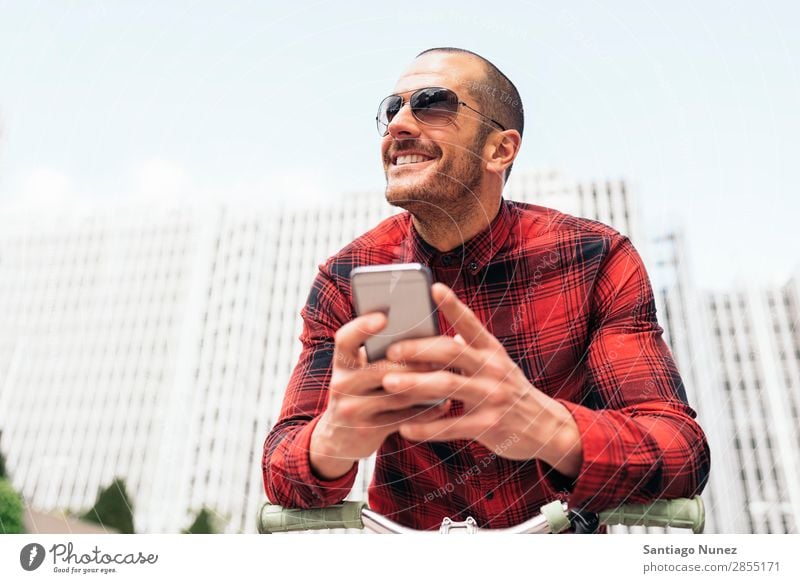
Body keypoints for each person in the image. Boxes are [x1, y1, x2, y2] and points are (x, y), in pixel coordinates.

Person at [262, 47, 710, 530]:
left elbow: (681, 452)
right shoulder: (345, 276)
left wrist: (546, 426)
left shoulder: (597, 257)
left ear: (500, 150)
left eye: (433, 104)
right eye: (391, 110)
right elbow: (281, 467)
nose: (398, 125)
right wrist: (332, 439)